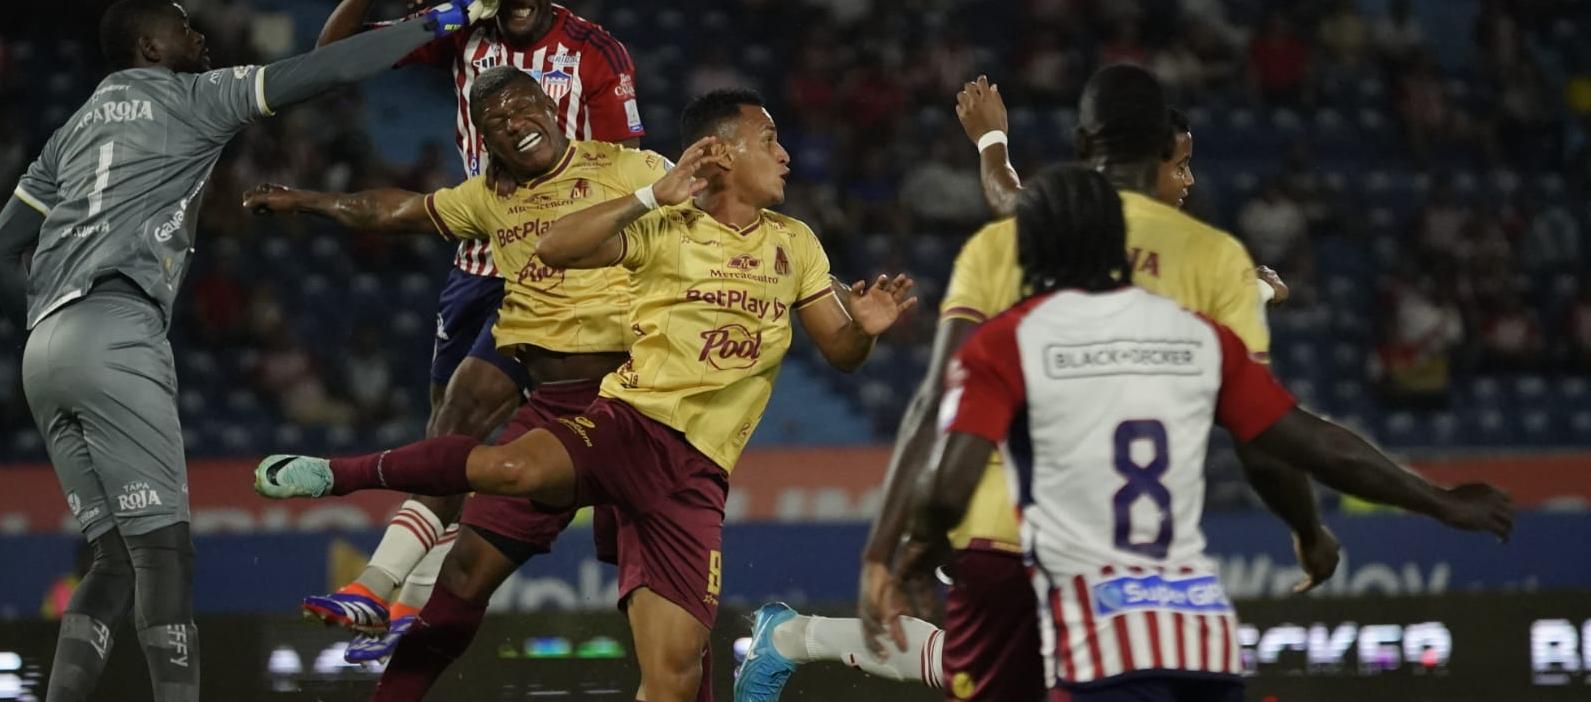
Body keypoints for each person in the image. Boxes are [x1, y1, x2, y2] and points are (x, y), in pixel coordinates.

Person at [252, 88, 918, 702]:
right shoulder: (645, 216)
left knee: (675, 673)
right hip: (616, 419)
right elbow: (552, 245)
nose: (786, 153)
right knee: (494, 499)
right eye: (769, 139)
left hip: (692, 470)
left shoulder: (779, 235)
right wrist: (651, 197)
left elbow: (842, 353)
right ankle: (340, 479)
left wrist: (862, 331)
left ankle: (380, 574)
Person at [733, 69, 1308, 702]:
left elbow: (1011, 197)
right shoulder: (1096, 232)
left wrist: (993, 141)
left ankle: (791, 638)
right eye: (1182, 166)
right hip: (1008, 486)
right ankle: (793, 638)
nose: (1190, 182)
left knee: (997, 665)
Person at [0, 0, 499, 699]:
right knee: (164, 557)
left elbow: (7, 236)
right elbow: (326, 70)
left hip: (43, 349)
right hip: (117, 332)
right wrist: (445, 19)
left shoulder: (70, 130)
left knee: (111, 559)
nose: (196, 33)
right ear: (150, 47)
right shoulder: (192, 97)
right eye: (181, 25)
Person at [886, 164, 1513, 702]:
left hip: (1100, 641)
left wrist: (915, 554)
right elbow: (1313, 443)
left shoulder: (1011, 344)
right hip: (1198, 639)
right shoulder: (1195, 337)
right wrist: (1439, 501)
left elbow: (946, 486)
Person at [242, 67, 666, 696]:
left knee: (663, 621)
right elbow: (395, 211)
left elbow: (712, 226)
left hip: (633, 402)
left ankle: (346, 492)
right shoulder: (489, 197)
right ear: (484, 142)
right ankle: (392, 596)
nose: (515, 126)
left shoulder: (628, 169)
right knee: (465, 571)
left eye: (522, 108)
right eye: (497, 124)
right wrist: (308, 201)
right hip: (550, 406)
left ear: (551, 106)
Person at [302, 0, 645, 652]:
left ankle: (392, 595)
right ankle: (404, 604)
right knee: (449, 436)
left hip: (558, 271)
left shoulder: (594, 51)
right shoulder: (457, 29)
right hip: (475, 262)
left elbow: (621, 178)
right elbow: (333, 56)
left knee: (464, 425)